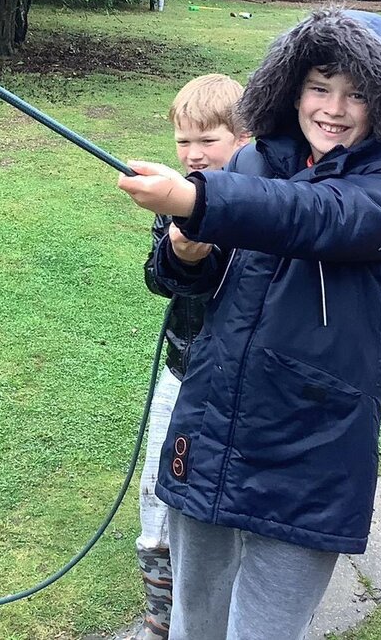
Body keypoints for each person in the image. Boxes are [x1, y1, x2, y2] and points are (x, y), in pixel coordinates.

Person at [116, 8, 381, 640]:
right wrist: (185, 253)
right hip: (213, 426)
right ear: (294, 89)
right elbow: (188, 280)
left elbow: (314, 215)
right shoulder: (251, 164)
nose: (333, 109)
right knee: (192, 623)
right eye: (320, 87)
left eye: (356, 94)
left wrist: (196, 198)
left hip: (310, 450)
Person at [133, 74, 251, 640]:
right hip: (181, 369)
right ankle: (161, 614)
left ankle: (221, 610)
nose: (193, 154)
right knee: (156, 495)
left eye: (209, 140)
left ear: (245, 139)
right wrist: (180, 252)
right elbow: (159, 278)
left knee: (220, 504)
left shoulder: (263, 200)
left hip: (235, 386)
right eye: (184, 141)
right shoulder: (175, 198)